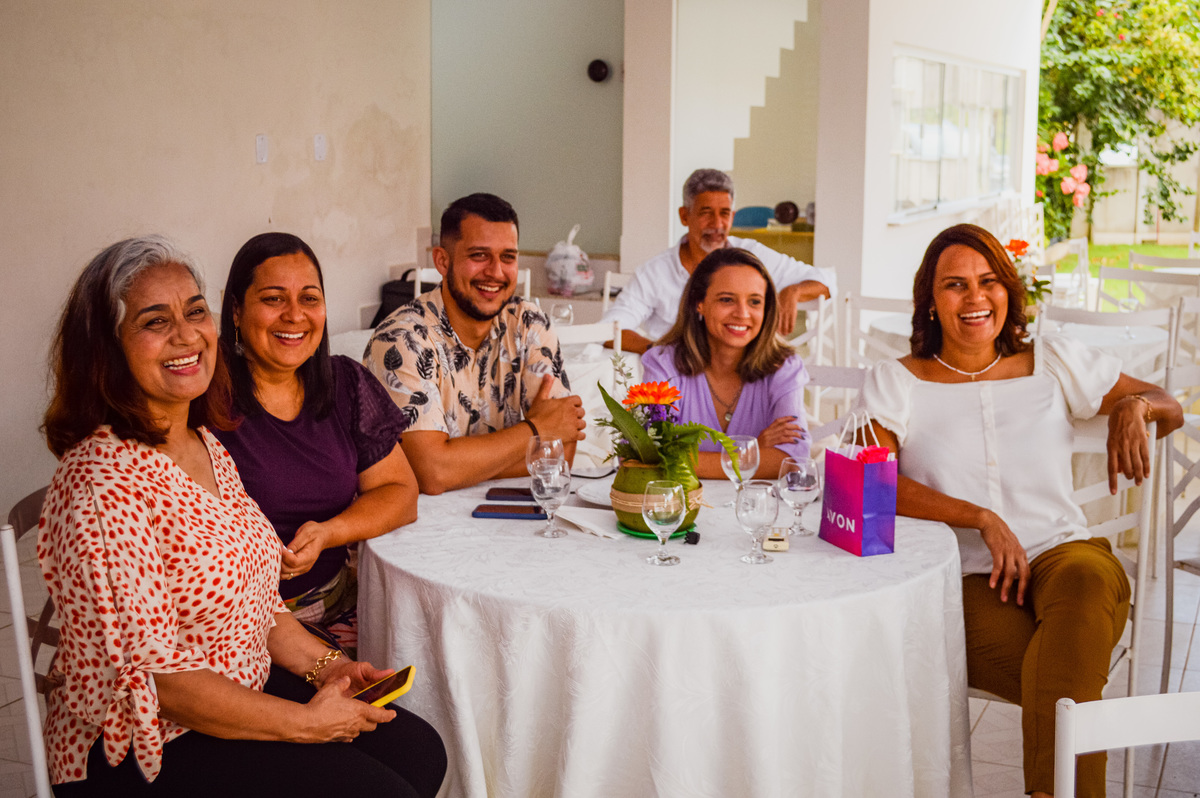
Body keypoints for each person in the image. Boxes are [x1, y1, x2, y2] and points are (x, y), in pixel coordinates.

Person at [39, 237, 446, 797]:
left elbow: (261, 605)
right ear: (106, 348)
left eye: (193, 311)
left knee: (417, 748)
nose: (186, 335)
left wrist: (329, 669)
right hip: (144, 744)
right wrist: (305, 725)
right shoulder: (102, 485)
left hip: (237, 691)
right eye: (155, 321)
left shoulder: (203, 442)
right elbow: (166, 684)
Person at [860, 223, 1181, 798]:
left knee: (1083, 592)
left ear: (1009, 291)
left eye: (989, 282)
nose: (975, 297)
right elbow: (870, 483)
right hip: (965, 579)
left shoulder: (1052, 361)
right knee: (1068, 678)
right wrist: (979, 517)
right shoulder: (898, 382)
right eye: (955, 285)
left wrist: (1134, 404)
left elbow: (1170, 406)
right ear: (930, 301)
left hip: (1067, 555)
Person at [213, 232, 418, 657]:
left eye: (309, 298)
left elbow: (400, 493)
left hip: (337, 605)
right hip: (241, 629)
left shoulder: (343, 382)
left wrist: (329, 532)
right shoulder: (207, 397)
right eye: (273, 299)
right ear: (236, 309)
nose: (295, 316)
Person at [364, 192, 586, 494]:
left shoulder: (529, 324)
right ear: (442, 261)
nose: (496, 272)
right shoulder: (402, 339)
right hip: (419, 529)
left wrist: (459, 465)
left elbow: (561, 454)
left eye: (508, 257)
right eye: (479, 255)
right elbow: (431, 473)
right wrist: (536, 430)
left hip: (508, 518)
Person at [601, 168, 837, 354]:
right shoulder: (655, 273)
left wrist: (792, 292)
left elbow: (827, 283)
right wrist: (662, 352)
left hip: (744, 379)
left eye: (724, 213)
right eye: (705, 213)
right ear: (685, 216)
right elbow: (609, 329)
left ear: (733, 217)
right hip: (679, 385)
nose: (716, 224)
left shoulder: (751, 255)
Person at [642, 248, 809, 478]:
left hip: (756, 509)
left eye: (754, 301)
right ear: (699, 303)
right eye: (727, 300)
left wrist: (687, 458)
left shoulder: (785, 368)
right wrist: (753, 452)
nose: (742, 313)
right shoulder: (663, 364)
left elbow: (790, 460)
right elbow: (649, 453)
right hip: (679, 507)